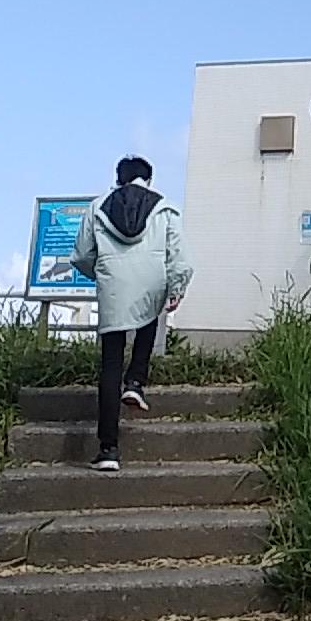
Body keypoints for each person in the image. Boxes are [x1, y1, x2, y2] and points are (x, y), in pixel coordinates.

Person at [71, 155, 193, 471]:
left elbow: (83, 255)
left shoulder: (97, 207)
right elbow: (180, 259)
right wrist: (176, 288)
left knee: (110, 363)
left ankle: (108, 450)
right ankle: (136, 382)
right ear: (148, 180)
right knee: (148, 315)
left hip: (114, 283)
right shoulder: (165, 208)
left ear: (119, 178)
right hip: (151, 280)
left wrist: (102, 275)